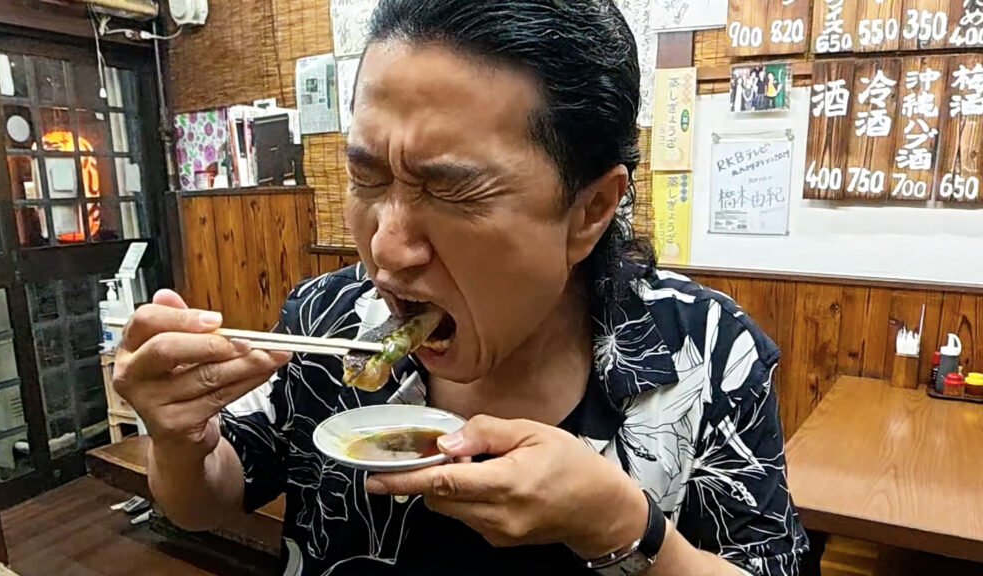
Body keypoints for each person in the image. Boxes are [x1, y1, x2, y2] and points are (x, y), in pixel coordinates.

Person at [113, 1, 808, 575]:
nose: (385, 245)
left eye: (451, 190)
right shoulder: (329, 317)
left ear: (590, 210)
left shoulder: (706, 355)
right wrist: (179, 439)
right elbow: (206, 499)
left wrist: (626, 529)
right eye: (367, 178)